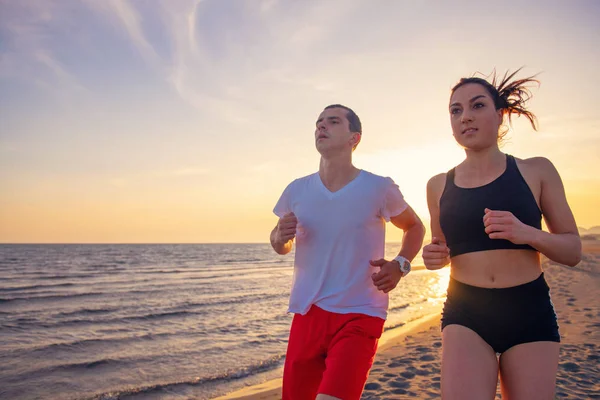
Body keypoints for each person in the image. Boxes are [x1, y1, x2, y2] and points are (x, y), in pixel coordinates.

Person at [422, 69, 582, 400]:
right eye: (456, 110)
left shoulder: (536, 170)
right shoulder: (438, 185)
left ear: (499, 115)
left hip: (529, 310)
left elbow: (572, 250)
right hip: (465, 311)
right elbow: (442, 251)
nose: (465, 116)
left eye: (477, 106)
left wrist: (526, 233)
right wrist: (433, 256)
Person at [271, 104, 425, 400]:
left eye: (332, 121)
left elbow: (415, 227)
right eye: (318, 122)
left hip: (360, 313)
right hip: (307, 314)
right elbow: (281, 244)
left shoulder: (378, 187)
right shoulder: (296, 190)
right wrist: (280, 236)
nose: (321, 127)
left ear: (355, 137)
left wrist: (401, 264)